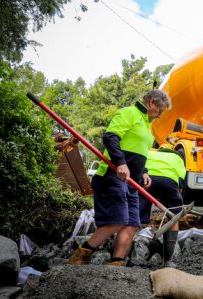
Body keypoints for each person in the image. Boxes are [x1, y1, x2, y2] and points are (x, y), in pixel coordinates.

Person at [69, 90, 171, 266]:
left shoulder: (147, 126)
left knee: (131, 224)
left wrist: (144, 171)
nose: (160, 115)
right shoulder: (128, 113)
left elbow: (138, 152)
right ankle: (81, 255)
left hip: (131, 182)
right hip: (112, 175)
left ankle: (116, 263)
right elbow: (111, 137)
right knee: (117, 220)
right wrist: (121, 163)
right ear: (152, 103)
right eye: (160, 110)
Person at [140, 148, 186, 267]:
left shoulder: (150, 153)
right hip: (168, 181)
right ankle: (167, 261)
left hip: (146, 180)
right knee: (174, 217)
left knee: (136, 217)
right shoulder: (178, 159)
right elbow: (179, 185)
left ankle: (123, 256)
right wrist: (171, 202)